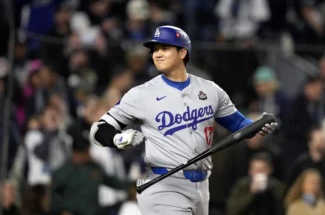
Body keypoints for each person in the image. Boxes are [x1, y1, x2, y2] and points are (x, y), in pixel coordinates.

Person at [90, 25, 278, 215]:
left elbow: (238, 124)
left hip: (201, 186)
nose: (157, 54)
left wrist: (257, 126)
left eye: (164, 48)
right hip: (164, 184)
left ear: (182, 52)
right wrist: (118, 139)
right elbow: (99, 129)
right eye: (155, 50)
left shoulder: (210, 90)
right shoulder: (141, 94)